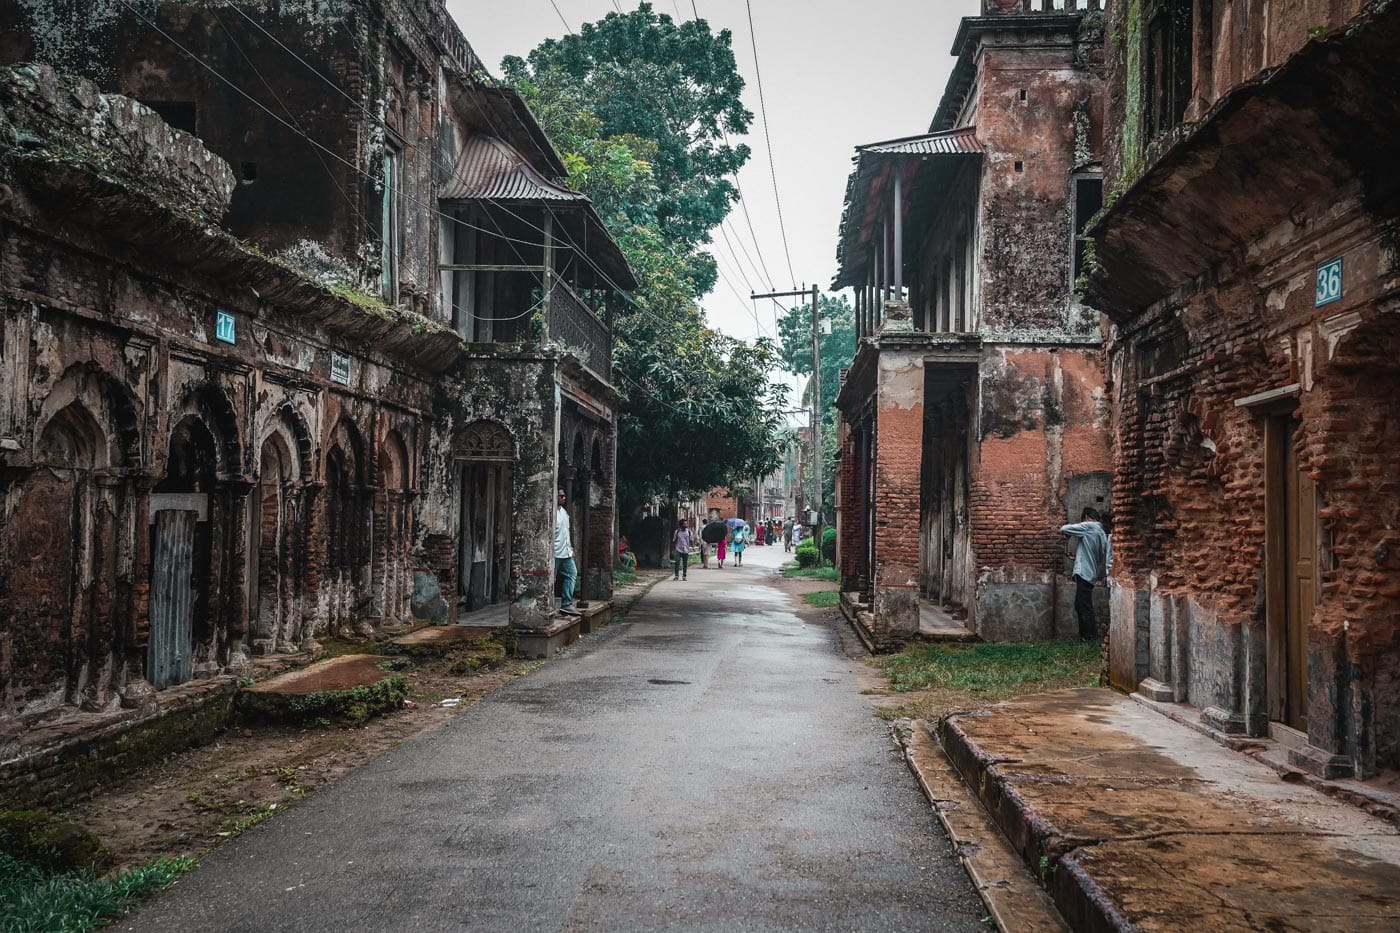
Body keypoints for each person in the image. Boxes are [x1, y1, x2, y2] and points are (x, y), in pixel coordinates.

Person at [1060, 507, 1110, 641]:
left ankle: (1088, 637)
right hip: (1090, 573)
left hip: (1084, 573)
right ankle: (1086, 636)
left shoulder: (1089, 526)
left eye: (1082, 520)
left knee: (1084, 606)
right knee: (1081, 604)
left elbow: (1064, 528)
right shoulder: (1102, 533)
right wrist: (1078, 557)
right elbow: (1093, 554)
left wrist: (1069, 533)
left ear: (1087, 517)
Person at [555, 488, 578, 614]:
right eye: (561, 496)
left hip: (565, 552)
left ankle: (566, 603)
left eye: (564, 496)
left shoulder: (563, 512)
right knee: (550, 579)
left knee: (572, 573)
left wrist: (570, 547)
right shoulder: (551, 513)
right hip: (554, 553)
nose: (563, 498)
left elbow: (566, 533)